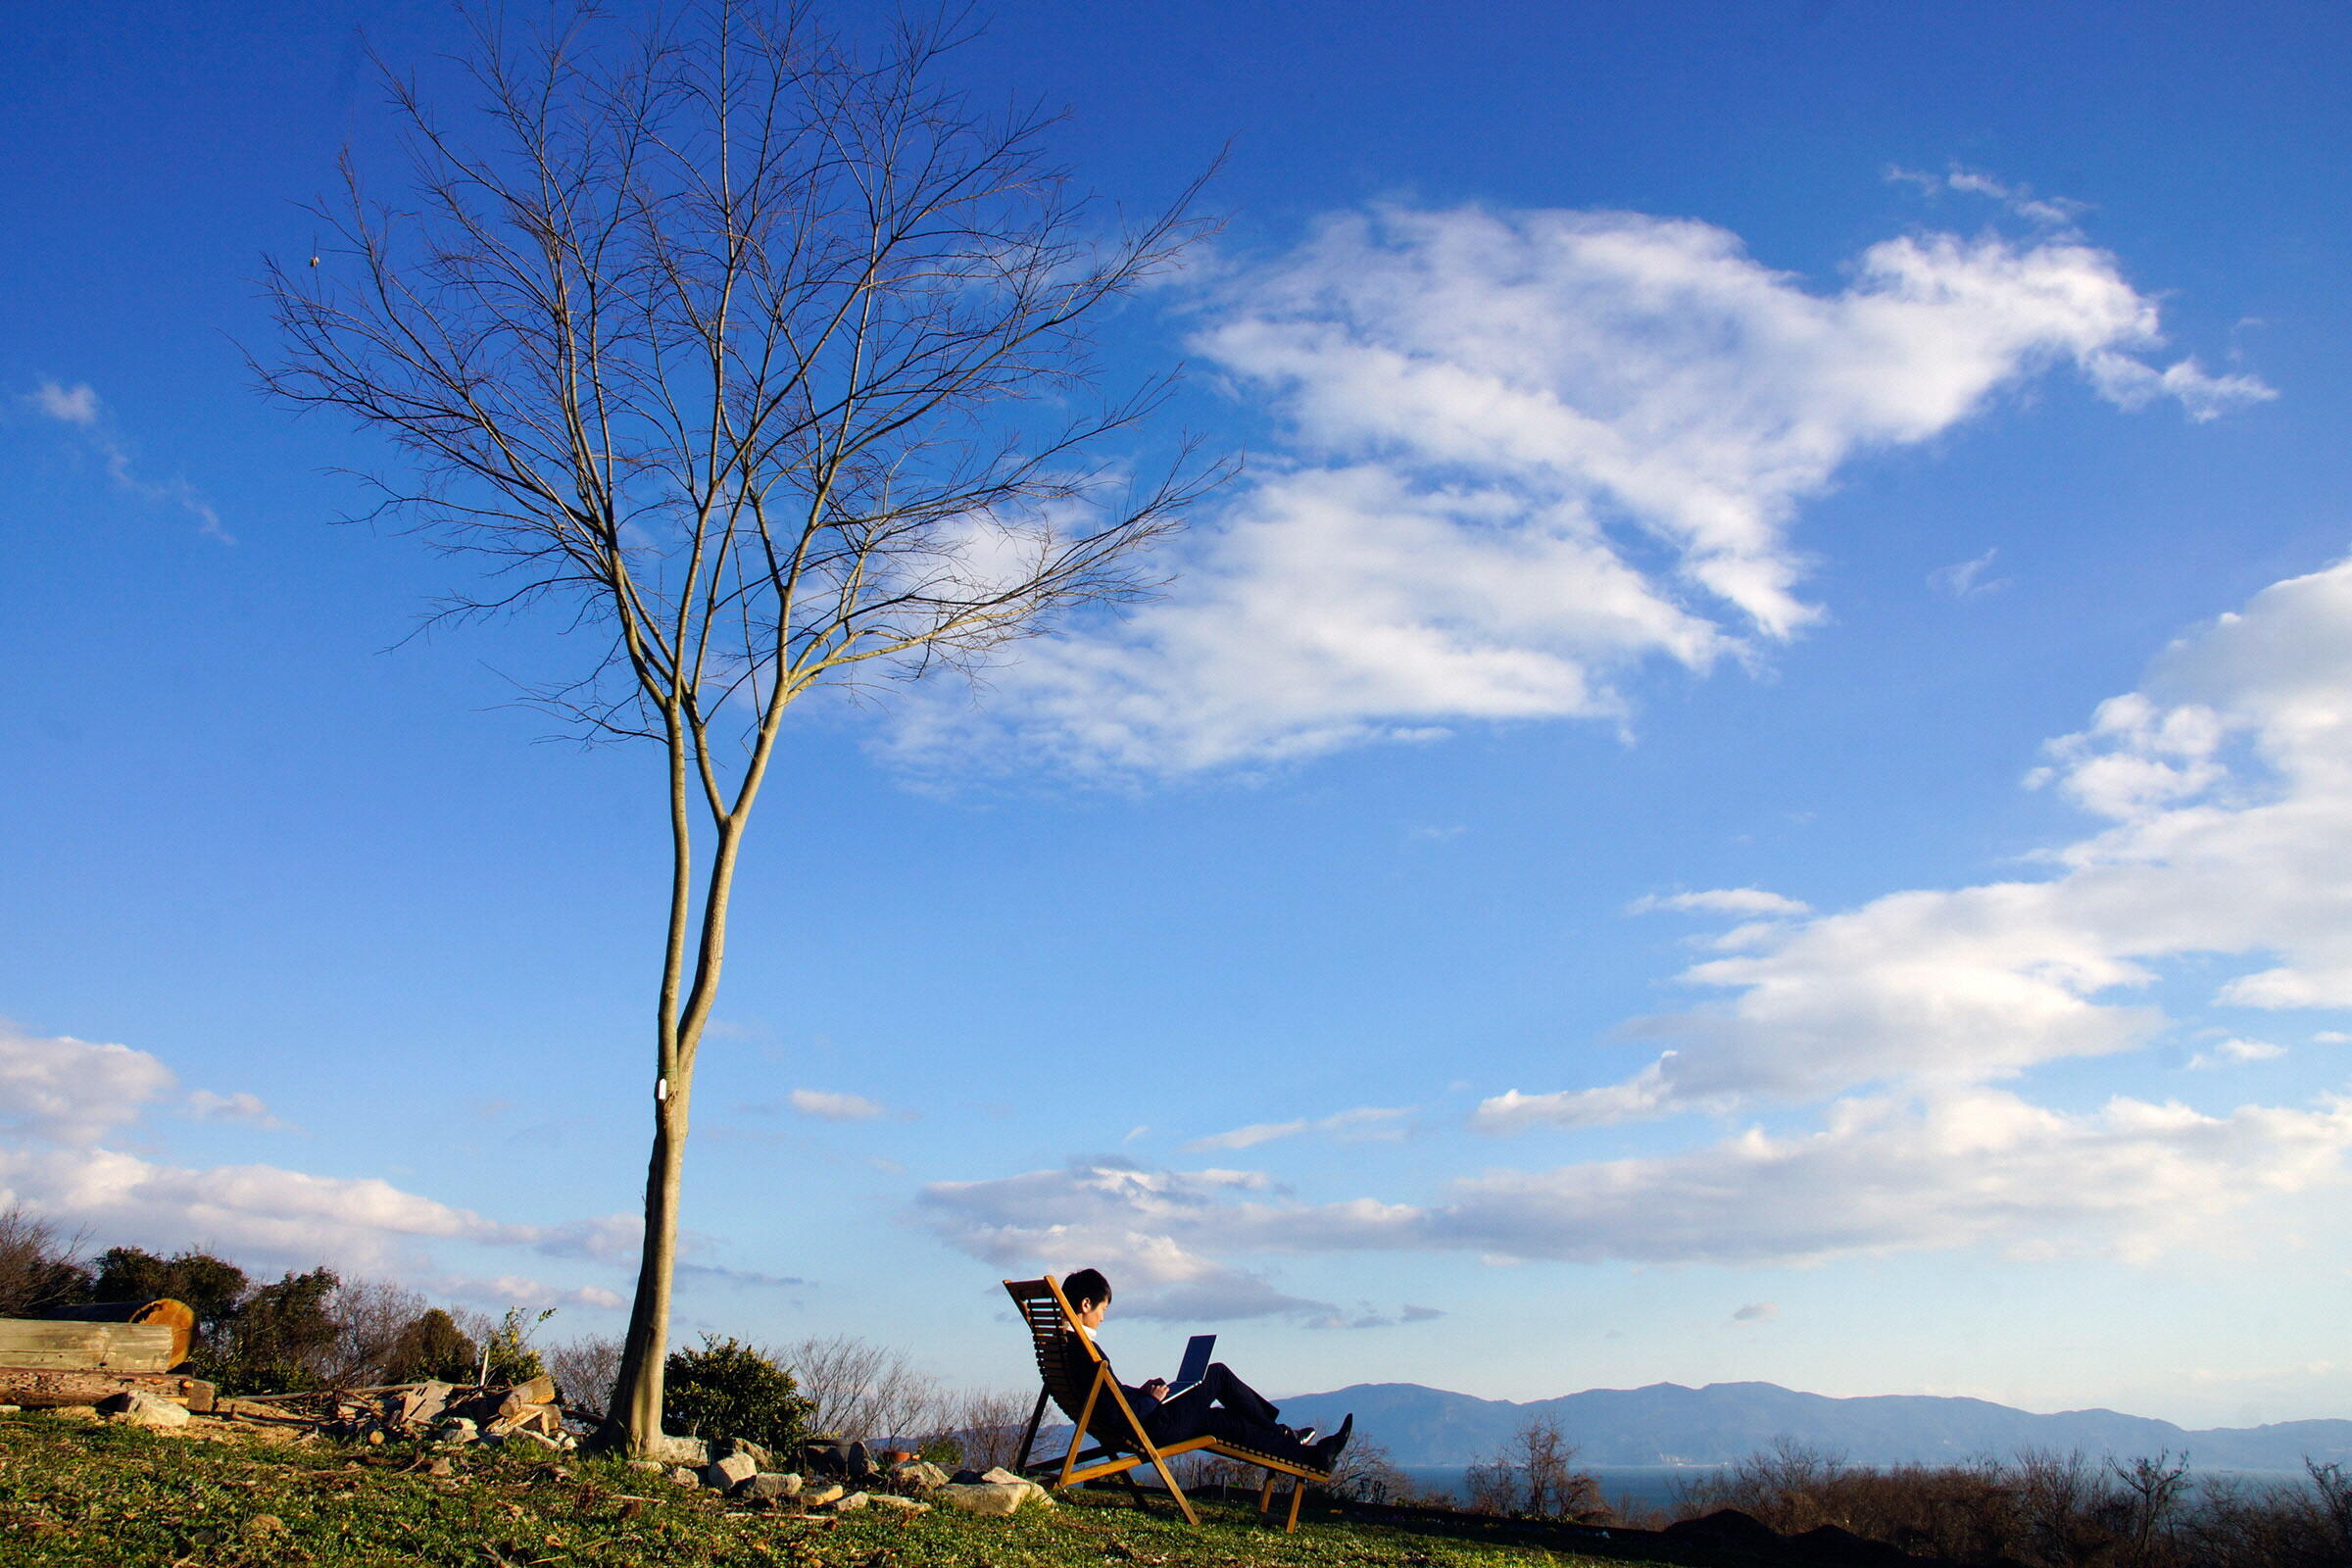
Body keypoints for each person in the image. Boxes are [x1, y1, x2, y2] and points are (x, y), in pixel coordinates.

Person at [1060, 1267, 1351, 1471]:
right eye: (1103, 1310)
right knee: (1217, 1375)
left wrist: (1144, 1393)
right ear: (1086, 1304)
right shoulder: (1084, 1352)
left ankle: (1313, 1456)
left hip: (1143, 1422)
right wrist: (1150, 1400)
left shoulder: (1068, 1349)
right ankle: (1283, 1434)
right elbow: (1114, 1412)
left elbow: (1109, 1399)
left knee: (1222, 1422)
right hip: (1151, 1429)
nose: (1103, 1318)